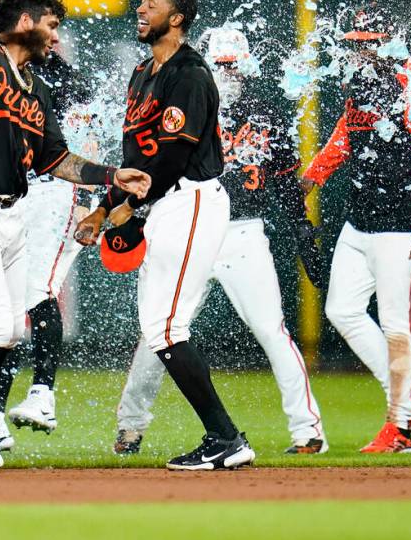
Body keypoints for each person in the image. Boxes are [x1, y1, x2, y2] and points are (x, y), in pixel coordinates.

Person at [0, 0, 151, 473]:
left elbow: (57, 159)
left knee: (7, 329)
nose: (56, 37)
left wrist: (111, 175)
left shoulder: (40, 88)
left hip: (13, 216)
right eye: (51, 25)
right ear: (25, 21)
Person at [112, 27, 328, 457]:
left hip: (241, 232)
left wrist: (303, 231)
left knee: (271, 329)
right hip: (181, 221)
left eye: (233, 66)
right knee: (159, 331)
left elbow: (286, 182)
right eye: (221, 66)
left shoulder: (264, 113)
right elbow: (148, 163)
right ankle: (130, 426)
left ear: (245, 68)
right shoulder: (180, 102)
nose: (228, 75)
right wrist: (133, 213)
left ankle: (308, 430)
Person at [76, 0, 255, 471]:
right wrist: (103, 205)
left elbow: (173, 157)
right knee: (159, 328)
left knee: (167, 326)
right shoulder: (142, 73)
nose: (141, 8)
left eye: (152, 4)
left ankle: (226, 439)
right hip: (165, 203)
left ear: (176, 18)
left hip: (190, 199)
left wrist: (128, 208)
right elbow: (136, 157)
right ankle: (223, 436)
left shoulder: (190, 75)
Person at [301, 3, 411, 453]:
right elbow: (347, 133)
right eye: (356, 44)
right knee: (342, 311)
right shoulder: (361, 81)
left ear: (391, 43)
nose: (361, 52)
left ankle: (399, 427)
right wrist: (314, 175)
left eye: (369, 45)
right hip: (359, 222)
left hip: (403, 228)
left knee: (397, 325)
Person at [0, 52, 97, 450]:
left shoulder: (59, 75)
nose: (54, 37)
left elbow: (85, 140)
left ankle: (42, 396)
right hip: (21, 193)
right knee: (9, 307)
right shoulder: (1, 73)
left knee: (34, 294)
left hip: (57, 194)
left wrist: (84, 201)